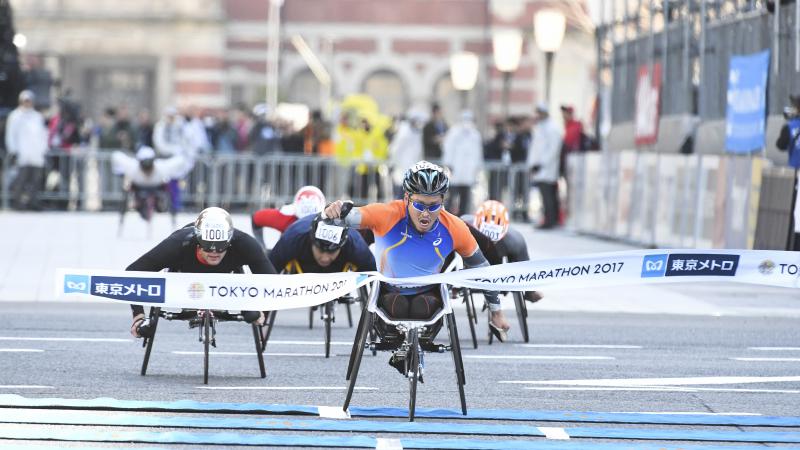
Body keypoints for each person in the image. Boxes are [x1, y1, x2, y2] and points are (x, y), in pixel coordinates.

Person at [322, 161, 511, 345]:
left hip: (429, 297)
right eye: (420, 205)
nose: (426, 214)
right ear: (406, 198)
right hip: (388, 294)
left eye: (433, 205)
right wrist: (332, 211)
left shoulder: (454, 227)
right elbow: (346, 218)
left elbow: (482, 268)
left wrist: (496, 312)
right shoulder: (387, 213)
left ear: (443, 201)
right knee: (397, 305)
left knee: (423, 307)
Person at [128, 207, 277, 338]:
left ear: (230, 240)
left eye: (221, 246)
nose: (214, 251)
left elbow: (273, 282)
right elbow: (132, 273)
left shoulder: (244, 243)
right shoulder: (178, 243)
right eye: (207, 245)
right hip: (184, 277)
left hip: (227, 281)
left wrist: (261, 309)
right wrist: (138, 315)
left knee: (253, 314)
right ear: (198, 240)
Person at [461, 200, 542, 303]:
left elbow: (525, 267)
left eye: (494, 240)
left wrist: (530, 289)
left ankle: (530, 291)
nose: (490, 241)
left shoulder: (515, 240)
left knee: (519, 256)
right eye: (486, 237)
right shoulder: (464, 225)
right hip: (472, 254)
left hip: (498, 258)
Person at [269, 213, 376, 275]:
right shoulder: (292, 240)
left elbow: (375, 277)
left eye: (332, 252)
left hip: (338, 269)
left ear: (342, 245)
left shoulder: (356, 245)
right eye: (320, 250)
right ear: (311, 241)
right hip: (303, 267)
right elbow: (268, 274)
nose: (325, 258)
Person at [111, 146, 194, 224]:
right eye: (144, 165)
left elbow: (180, 161)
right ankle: (141, 206)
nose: (147, 168)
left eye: (149, 165)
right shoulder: (132, 167)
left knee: (169, 189)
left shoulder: (161, 167)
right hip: (138, 188)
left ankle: (160, 206)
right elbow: (116, 156)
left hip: (157, 187)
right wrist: (120, 172)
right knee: (128, 189)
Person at [4, 90, 48, 211]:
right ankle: (18, 203)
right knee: (20, 179)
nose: (27, 103)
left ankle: (33, 202)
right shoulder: (15, 116)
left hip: (36, 154)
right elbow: (11, 135)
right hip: (22, 153)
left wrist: (43, 149)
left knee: (35, 180)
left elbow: (43, 134)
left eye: (29, 101)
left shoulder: (37, 116)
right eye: (25, 101)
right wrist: (13, 150)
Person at [251, 185, 327, 252]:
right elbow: (256, 218)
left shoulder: (329, 220)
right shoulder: (284, 217)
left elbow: (256, 218)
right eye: (301, 221)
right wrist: (262, 248)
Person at [527, 103, 563, 229]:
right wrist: (533, 164)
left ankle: (551, 220)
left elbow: (553, 149)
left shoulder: (552, 128)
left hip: (547, 168)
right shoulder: (540, 128)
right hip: (540, 168)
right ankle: (547, 218)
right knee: (544, 195)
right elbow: (535, 148)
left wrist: (541, 164)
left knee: (549, 195)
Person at [441, 110, 483, 216]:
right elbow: (448, 149)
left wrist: (477, 167)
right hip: (455, 171)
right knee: (452, 197)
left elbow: (477, 153)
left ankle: (463, 219)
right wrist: (449, 164)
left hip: (468, 173)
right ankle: (448, 217)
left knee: (465, 198)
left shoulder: (475, 134)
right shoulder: (454, 132)